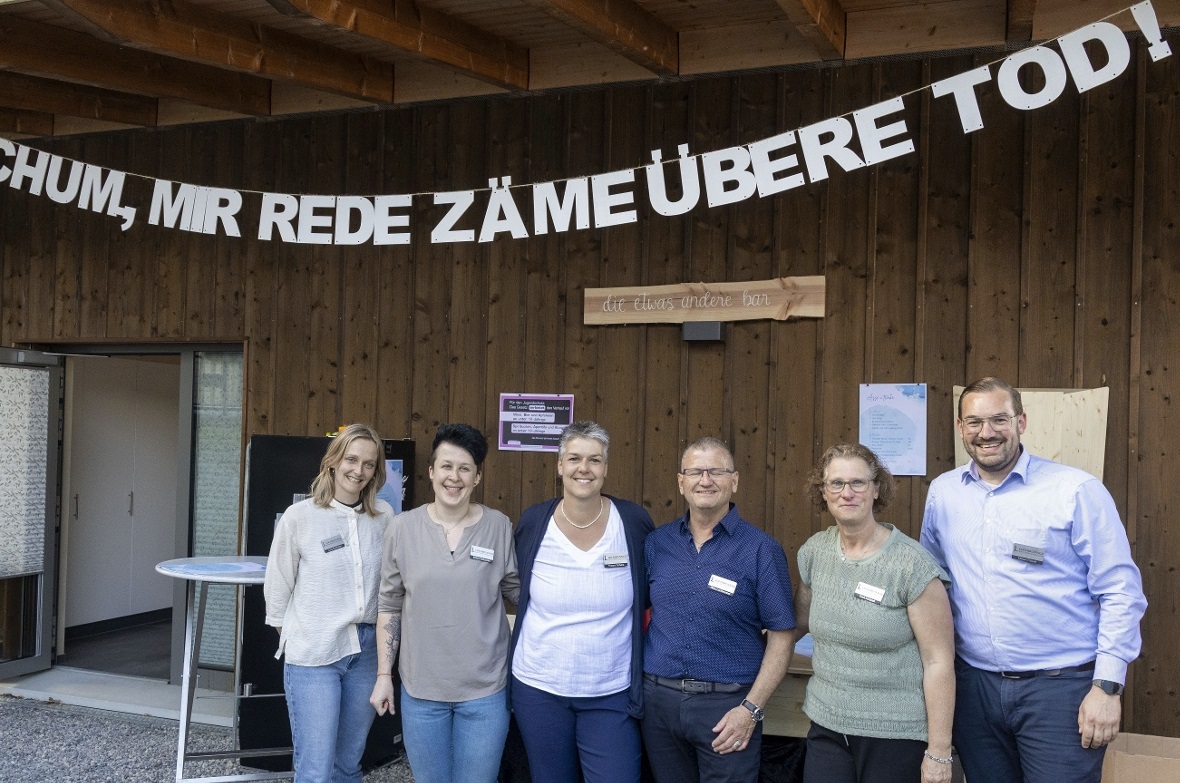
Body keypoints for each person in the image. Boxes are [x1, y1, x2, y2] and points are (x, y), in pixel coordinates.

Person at [921, 377, 1147, 783]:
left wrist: (1107, 687)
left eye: (999, 419)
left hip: (1060, 692)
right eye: (974, 422)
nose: (986, 432)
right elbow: (933, 585)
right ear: (960, 428)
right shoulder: (943, 493)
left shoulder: (1075, 490)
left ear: (1021, 422)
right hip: (974, 689)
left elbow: (1120, 590)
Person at [369, 423, 519, 783]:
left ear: (477, 476)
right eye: (447, 466)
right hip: (422, 691)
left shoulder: (498, 526)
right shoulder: (402, 528)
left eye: (465, 468)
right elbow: (389, 605)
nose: (455, 477)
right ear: (432, 471)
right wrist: (384, 676)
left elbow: (518, 592)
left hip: (485, 692)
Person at [795, 444, 954, 783]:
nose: (847, 492)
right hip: (827, 725)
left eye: (858, 482)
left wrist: (939, 752)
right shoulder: (814, 553)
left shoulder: (912, 565)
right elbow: (798, 624)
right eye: (836, 483)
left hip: (895, 734)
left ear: (877, 488)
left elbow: (938, 662)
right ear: (823, 492)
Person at [642, 436, 796, 783]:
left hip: (728, 707)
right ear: (681, 482)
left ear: (734, 480)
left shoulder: (761, 550)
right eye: (695, 472)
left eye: (716, 471)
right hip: (659, 706)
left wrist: (751, 709)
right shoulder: (657, 544)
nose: (705, 480)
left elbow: (782, 636)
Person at [509, 421, 655, 782]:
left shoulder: (632, 522)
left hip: (612, 692)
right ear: (560, 465)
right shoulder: (535, 522)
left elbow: (650, 592)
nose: (583, 468)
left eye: (594, 459)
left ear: (605, 468)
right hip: (539, 689)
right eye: (574, 458)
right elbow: (516, 587)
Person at [264, 423, 393, 783]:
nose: (359, 470)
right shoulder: (300, 517)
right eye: (351, 459)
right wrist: (299, 636)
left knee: (348, 765)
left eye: (369, 464)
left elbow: (391, 587)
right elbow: (277, 590)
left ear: (376, 471)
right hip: (315, 655)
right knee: (316, 771)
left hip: (367, 654)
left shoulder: (384, 518)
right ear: (333, 461)